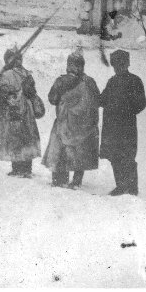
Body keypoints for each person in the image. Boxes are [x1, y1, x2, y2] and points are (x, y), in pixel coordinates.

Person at [0, 48, 43, 178]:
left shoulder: (7, 75)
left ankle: (17, 169)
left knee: (14, 138)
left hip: (13, 110)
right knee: (26, 137)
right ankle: (27, 169)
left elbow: (0, 96)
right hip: (27, 111)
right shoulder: (27, 74)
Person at [42, 50, 101, 189]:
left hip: (64, 122)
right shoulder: (90, 82)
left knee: (61, 149)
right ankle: (77, 180)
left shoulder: (61, 81)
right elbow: (98, 100)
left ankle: (59, 179)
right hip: (84, 126)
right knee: (80, 151)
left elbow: (52, 99)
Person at [100, 49, 146, 196]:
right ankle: (121, 186)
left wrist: (126, 110)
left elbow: (141, 103)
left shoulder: (135, 81)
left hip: (126, 126)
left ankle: (132, 188)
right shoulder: (112, 82)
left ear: (127, 64)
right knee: (115, 156)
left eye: (121, 64)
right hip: (112, 126)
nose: (118, 67)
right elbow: (103, 99)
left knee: (128, 156)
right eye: (116, 64)